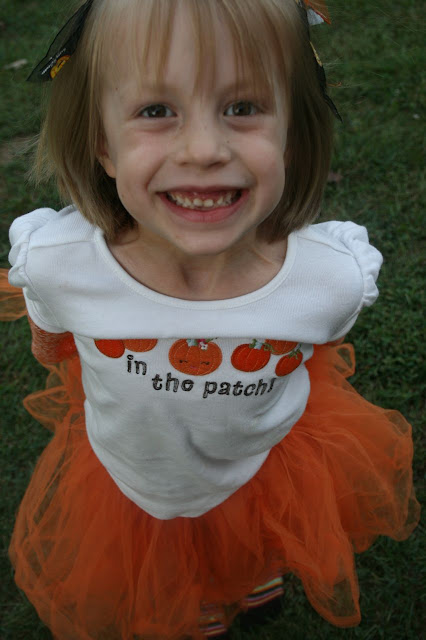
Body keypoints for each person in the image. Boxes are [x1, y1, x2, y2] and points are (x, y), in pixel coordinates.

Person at [2, 0, 419, 638]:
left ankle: (250, 569)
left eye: (243, 106)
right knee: (167, 548)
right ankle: (193, 590)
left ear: (292, 134)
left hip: (259, 458)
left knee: (252, 525)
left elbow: (323, 346)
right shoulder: (59, 264)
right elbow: (49, 331)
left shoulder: (331, 279)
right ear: (101, 144)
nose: (203, 149)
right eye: (156, 110)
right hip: (134, 469)